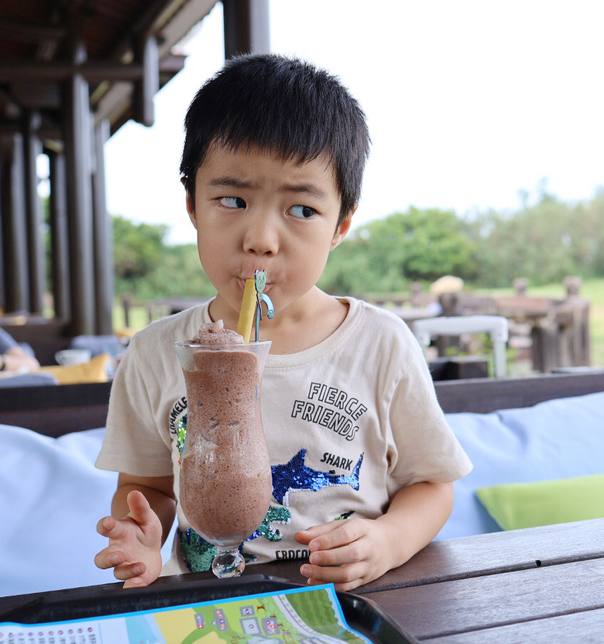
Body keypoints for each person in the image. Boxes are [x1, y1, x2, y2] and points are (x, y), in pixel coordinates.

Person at [94, 54, 472, 590]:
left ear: (340, 224)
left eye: (301, 210)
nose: (262, 239)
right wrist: (143, 533)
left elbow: (433, 485)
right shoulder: (155, 353)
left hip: (349, 601)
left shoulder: (380, 345)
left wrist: (387, 542)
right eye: (231, 199)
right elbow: (146, 485)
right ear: (192, 207)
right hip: (212, 605)